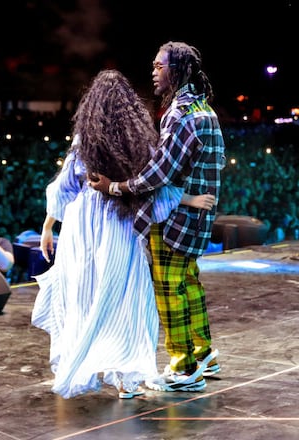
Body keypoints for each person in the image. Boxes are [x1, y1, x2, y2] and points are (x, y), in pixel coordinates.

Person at [31, 69, 216, 400]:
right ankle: (125, 379)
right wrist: (186, 199)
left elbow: (65, 187)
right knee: (125, 299)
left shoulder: (84, 141)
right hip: (119, 226)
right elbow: (155, 187)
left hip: (81, 230)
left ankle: (88, 366)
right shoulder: (140, 143)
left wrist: (47, 227)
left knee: (83, 297)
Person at [89, 41, 227, 393]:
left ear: (177, 70)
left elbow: (159, 173)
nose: (153, 72)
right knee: (189, 284)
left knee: (169, 291)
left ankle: (184, 368)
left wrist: (116, 187)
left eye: (159, 66)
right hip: (195, 217)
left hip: (174, 217)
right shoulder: (204, 109)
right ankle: (204, 353)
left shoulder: (181, 115)